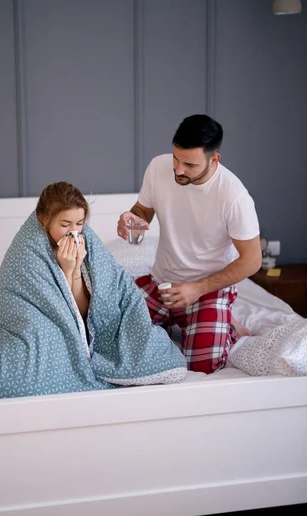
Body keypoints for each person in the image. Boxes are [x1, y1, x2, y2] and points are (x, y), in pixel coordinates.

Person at [117, 114, 262, 374]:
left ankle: (223, 322)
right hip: (162, 282)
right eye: (176, 158)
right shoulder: (158, 167)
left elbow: (252, 260)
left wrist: (197, 289)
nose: (179, 170)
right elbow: (142, 212)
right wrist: (133, 222)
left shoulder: (234, 197)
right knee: (116, 338)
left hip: (207, 289)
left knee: (201, 367)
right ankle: (185, 320)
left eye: (190, 164)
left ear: (214, 159)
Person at [36, 181, 90, 320]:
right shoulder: (35, 251)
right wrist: (66, 270)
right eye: (65, 225)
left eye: (79, 224)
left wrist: (76, 267)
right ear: (43, 220)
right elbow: (58, 313)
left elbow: (81, 312)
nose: (74, 232)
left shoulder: (85, 243)